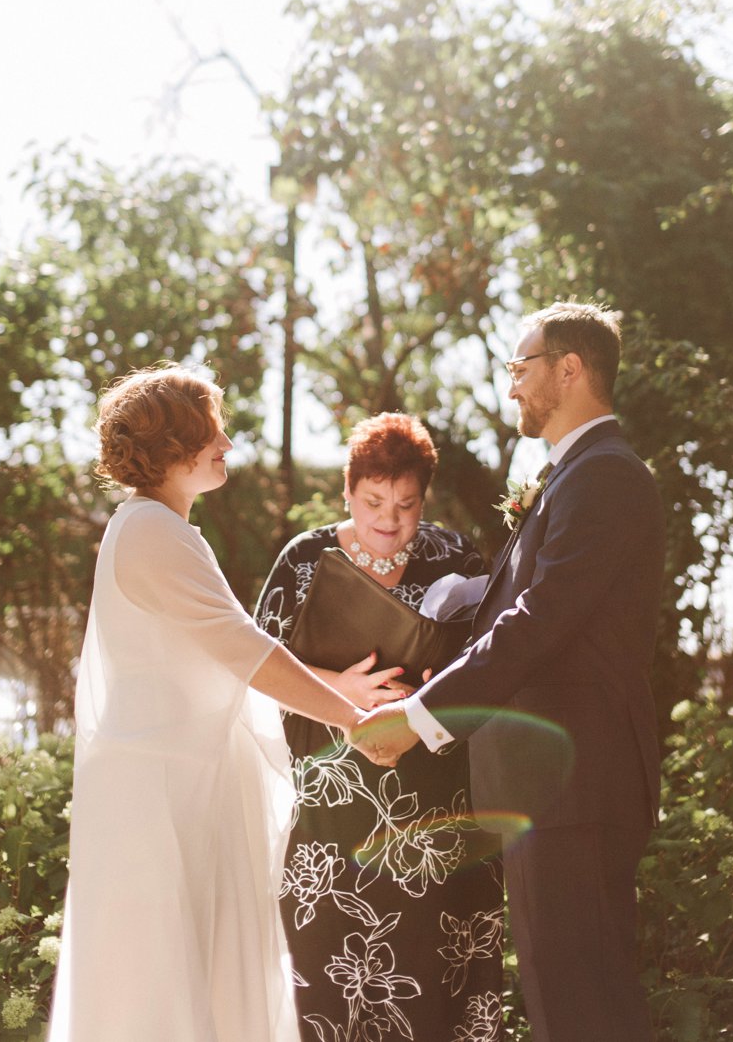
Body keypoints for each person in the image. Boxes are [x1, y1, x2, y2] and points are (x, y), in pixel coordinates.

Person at [352, 302, 664, 1042]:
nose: (512, 385)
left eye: (520, 367)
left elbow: (539, 623)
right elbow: (517, 613)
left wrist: (420, 715)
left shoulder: (606, 476)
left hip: (575, 788)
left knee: (586, 1011)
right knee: (571, 1007)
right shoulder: (573, 475)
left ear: (569, 368)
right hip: (552, 790)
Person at [50, 366, 367, 1042]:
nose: (226, 440)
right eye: (208, 429)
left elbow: (226, 651)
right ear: (170, 445)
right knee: (157, 993)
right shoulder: (151, 532)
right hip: (158, 804)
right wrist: (356, 719)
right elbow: (245, 649)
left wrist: (344, 692)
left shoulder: (161, 529)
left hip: (178, 790)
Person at [251, 412, 507, 1042]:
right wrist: (343, 688)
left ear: (425, 497)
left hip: (432, 795)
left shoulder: (455, 554)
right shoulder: (304, 559)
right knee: (330, 969)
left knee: (428, 966)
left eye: (406, 504)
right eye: (372, 502)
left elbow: (492, 658)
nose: (389, 520)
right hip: (333, 802)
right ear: (347, 492)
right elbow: (254, 666)